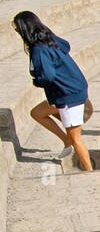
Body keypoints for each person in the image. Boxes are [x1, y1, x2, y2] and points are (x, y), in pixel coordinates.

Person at [14, 11, 94, 172]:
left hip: (67, 95)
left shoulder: (38, 49)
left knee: (76, 139)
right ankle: (66, 141)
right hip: (71, 90)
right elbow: (66, 45)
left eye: (17, 29)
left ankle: (89, 172)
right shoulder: (50, 39)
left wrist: (37, 80)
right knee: (37, 113)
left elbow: (47, 76)